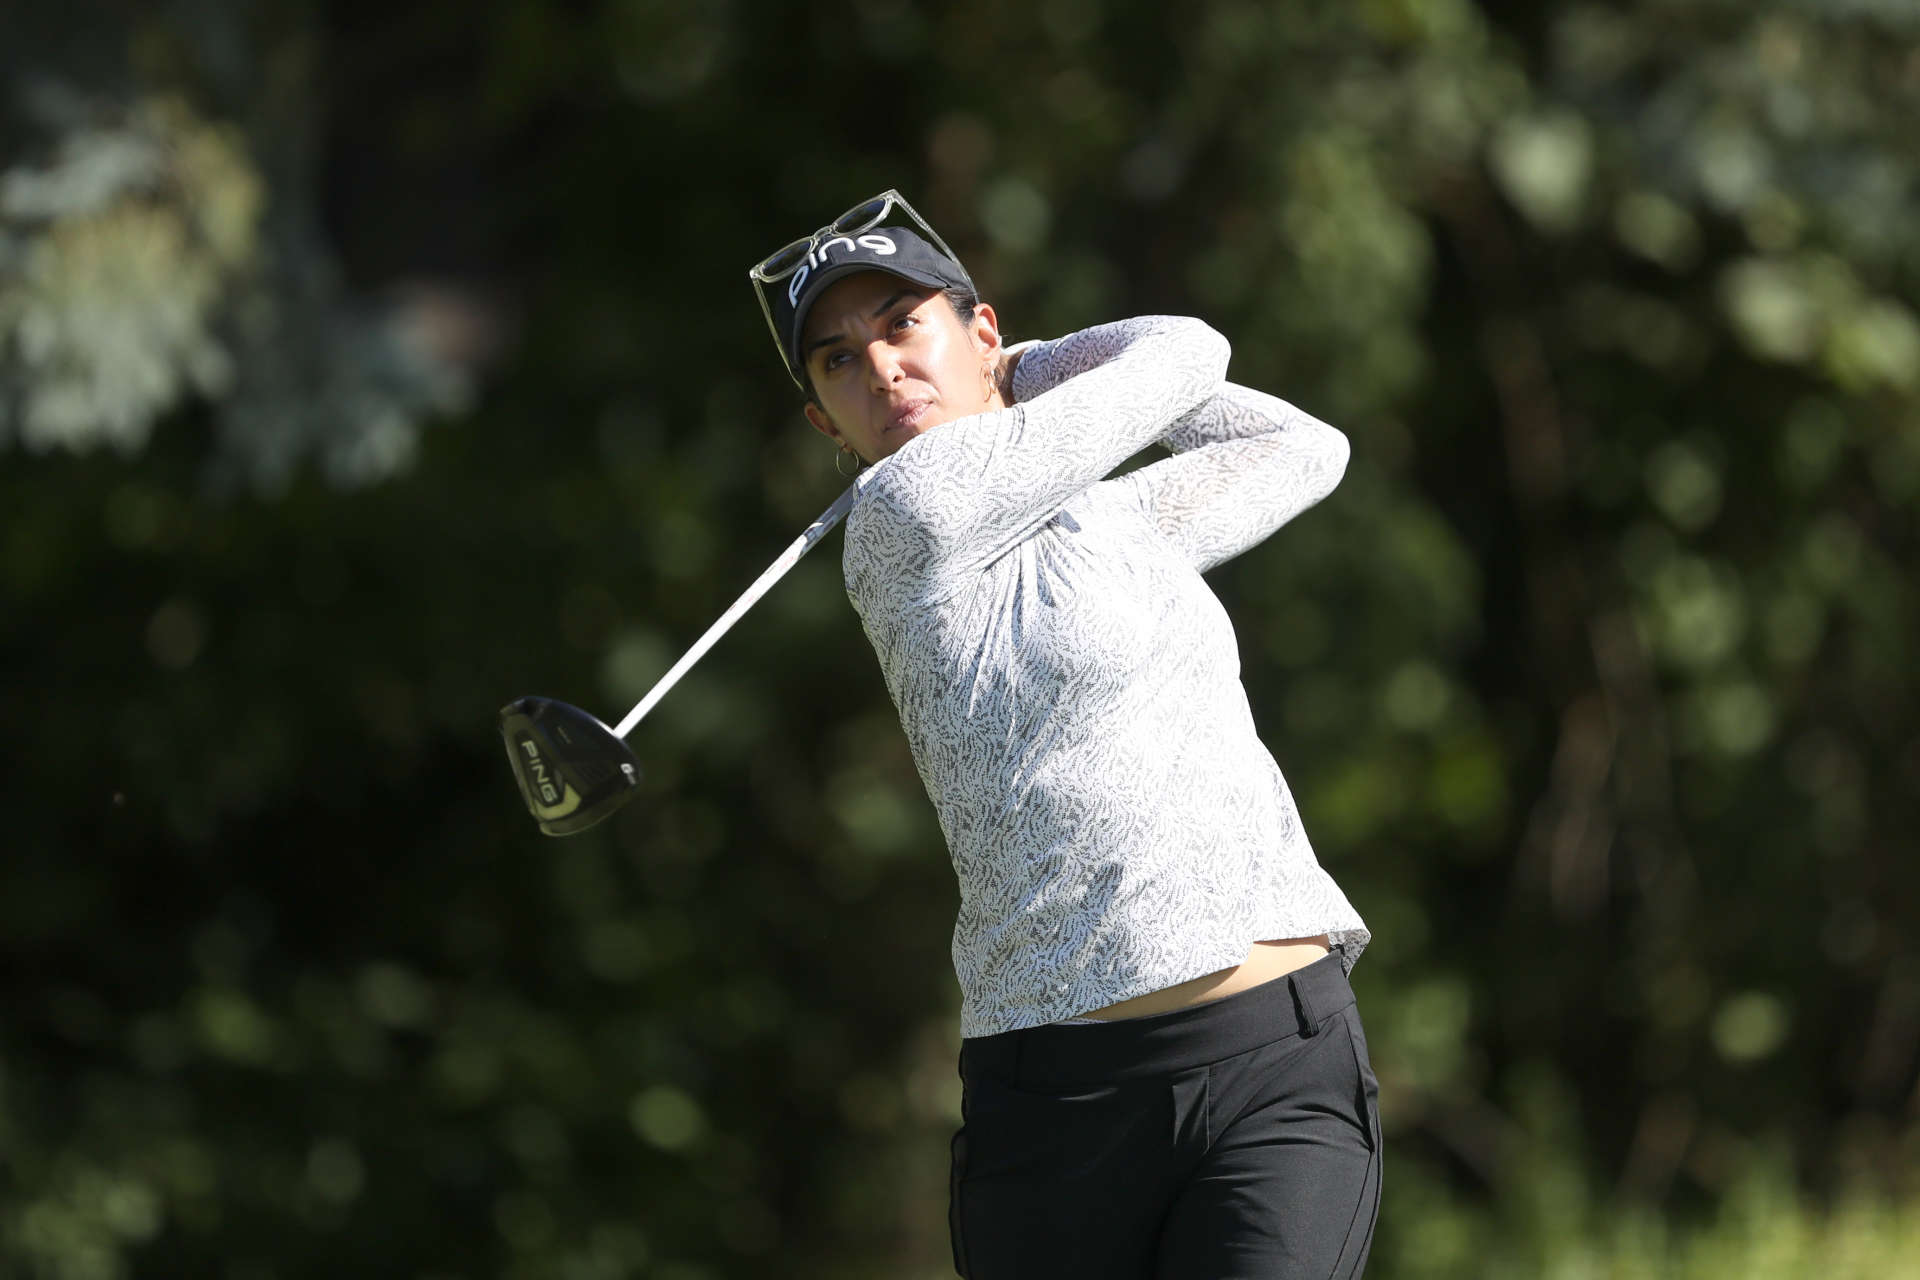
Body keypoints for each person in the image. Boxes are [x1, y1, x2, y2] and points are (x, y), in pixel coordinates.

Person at [749, 190, 1379, 1279]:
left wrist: (1011, 378)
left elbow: (1299, 445)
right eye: (838, 363)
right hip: (1064, 1105)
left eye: (904, 323)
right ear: (827, 425)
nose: (883, 368)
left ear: (979, 326)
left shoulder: (1116, 525)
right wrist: (1022, 377)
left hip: (1278, 1052)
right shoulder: (905, 524)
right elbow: (1185, 348)